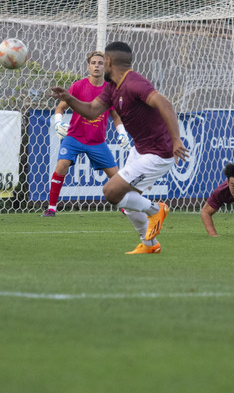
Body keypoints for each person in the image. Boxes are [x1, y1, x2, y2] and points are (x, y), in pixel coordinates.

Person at [50, 41, 189, 254]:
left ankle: (156, 209)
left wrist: (176, 139)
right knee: (129, 203)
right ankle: (150, 245)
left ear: (109, 61)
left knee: (111, 192)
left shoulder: (135, 83)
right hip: (140, 149)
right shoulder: (112, 87)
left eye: (102, 61)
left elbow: (165, 104)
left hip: (159, 153)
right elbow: (91, 110)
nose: (100, 65)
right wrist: (69, 98)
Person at [45, 51, 130, 217]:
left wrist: (122, 132)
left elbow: (115, 116)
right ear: (88, 66)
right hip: (74, 137)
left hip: (97, 142)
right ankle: (51, 208)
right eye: (94, 63)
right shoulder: (77, 86)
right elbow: (60, 107)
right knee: (61, 166)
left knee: (116, 177)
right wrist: (58, 121)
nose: (97, 66)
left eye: (100, 63)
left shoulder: (110, 90)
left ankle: (125, 207)